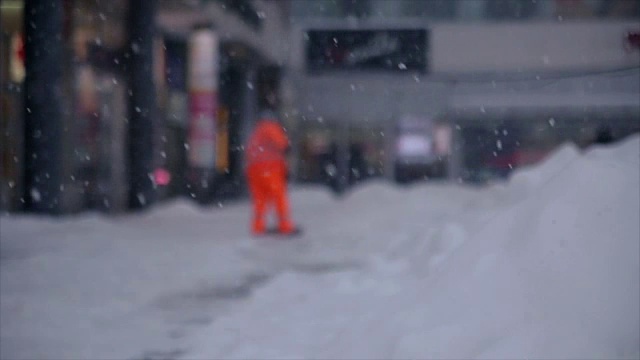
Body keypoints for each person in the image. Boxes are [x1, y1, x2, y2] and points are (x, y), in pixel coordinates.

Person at [245, 111, 298, 235]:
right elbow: (283, 145)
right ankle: (285, 225)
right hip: (270, 168)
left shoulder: (256, 131)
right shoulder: (271, 127)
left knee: (260, 199)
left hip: (254, 170)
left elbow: (249, 151)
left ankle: (258, 226)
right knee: (279, 196)